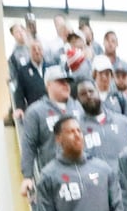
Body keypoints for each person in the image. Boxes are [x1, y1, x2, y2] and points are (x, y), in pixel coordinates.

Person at [19, 65, 81, 197]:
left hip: (81, 173)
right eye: (60, 82)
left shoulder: (78, 107)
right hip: (54, 177)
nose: (66, 85)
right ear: (48, 85)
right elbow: (29, 145)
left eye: (67, 82)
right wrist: (27, 176)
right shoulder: (36, 111)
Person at [76, 80, 127, 164]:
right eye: (83, 94)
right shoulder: (77, 129)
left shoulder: (123, 122)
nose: (88, 95)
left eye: (91, 91)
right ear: (78, 100)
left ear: (97, 91)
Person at [11, 38, 46, 119]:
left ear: (43, 50)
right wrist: (19, 108)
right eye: (34, 49)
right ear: (29, 52)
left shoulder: (51, 67)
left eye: (39, 49)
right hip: (35, 112)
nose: (37, 52)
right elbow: (19, 92)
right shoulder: (23, 71)